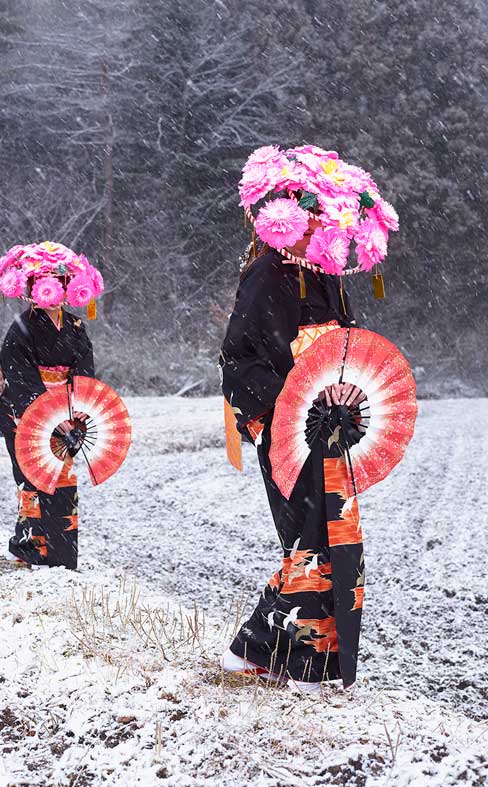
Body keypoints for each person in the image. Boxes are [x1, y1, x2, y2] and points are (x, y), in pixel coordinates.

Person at [219, 144, 399, 688]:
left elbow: (348, 348)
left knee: (330, 535)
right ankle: (306, 665)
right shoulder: (266, 274)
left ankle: (255, 650)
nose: (318, 224)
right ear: (282, 216)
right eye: (309, 213)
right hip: (287, 429)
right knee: (310, 539)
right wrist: (287, 407)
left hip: (329, 426)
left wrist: (348, 396)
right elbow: (238, 357)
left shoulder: (326, 276)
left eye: (323, 215)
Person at [0, 241, 103, 569]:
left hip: (65, 416)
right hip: (24, 413)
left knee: (63, 481)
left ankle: (62, 557)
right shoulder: (21, 328)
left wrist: (77, 418)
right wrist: (50, 414)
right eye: (47, 284)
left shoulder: (76, 328)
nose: (54, 292)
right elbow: (20, 375)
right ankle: (30, 551)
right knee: (31, 479)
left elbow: (84, 375)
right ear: (35, 288)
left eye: (62, 284)